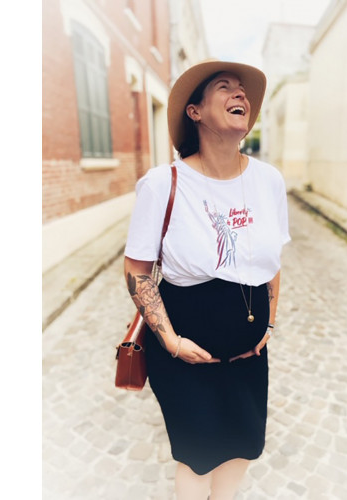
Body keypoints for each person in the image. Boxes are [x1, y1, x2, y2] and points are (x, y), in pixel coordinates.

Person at [124, 60, 291, 500]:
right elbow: (137, 270)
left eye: (243, 90)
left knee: (241, 448)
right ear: (194, 112)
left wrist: (269, 322)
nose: (241, 94)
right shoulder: (162, 184)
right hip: (185, 358)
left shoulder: (269, 181)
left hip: (249, 356)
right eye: (224, 86)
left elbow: (272, 261)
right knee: (197, 460)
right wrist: (171, 341)